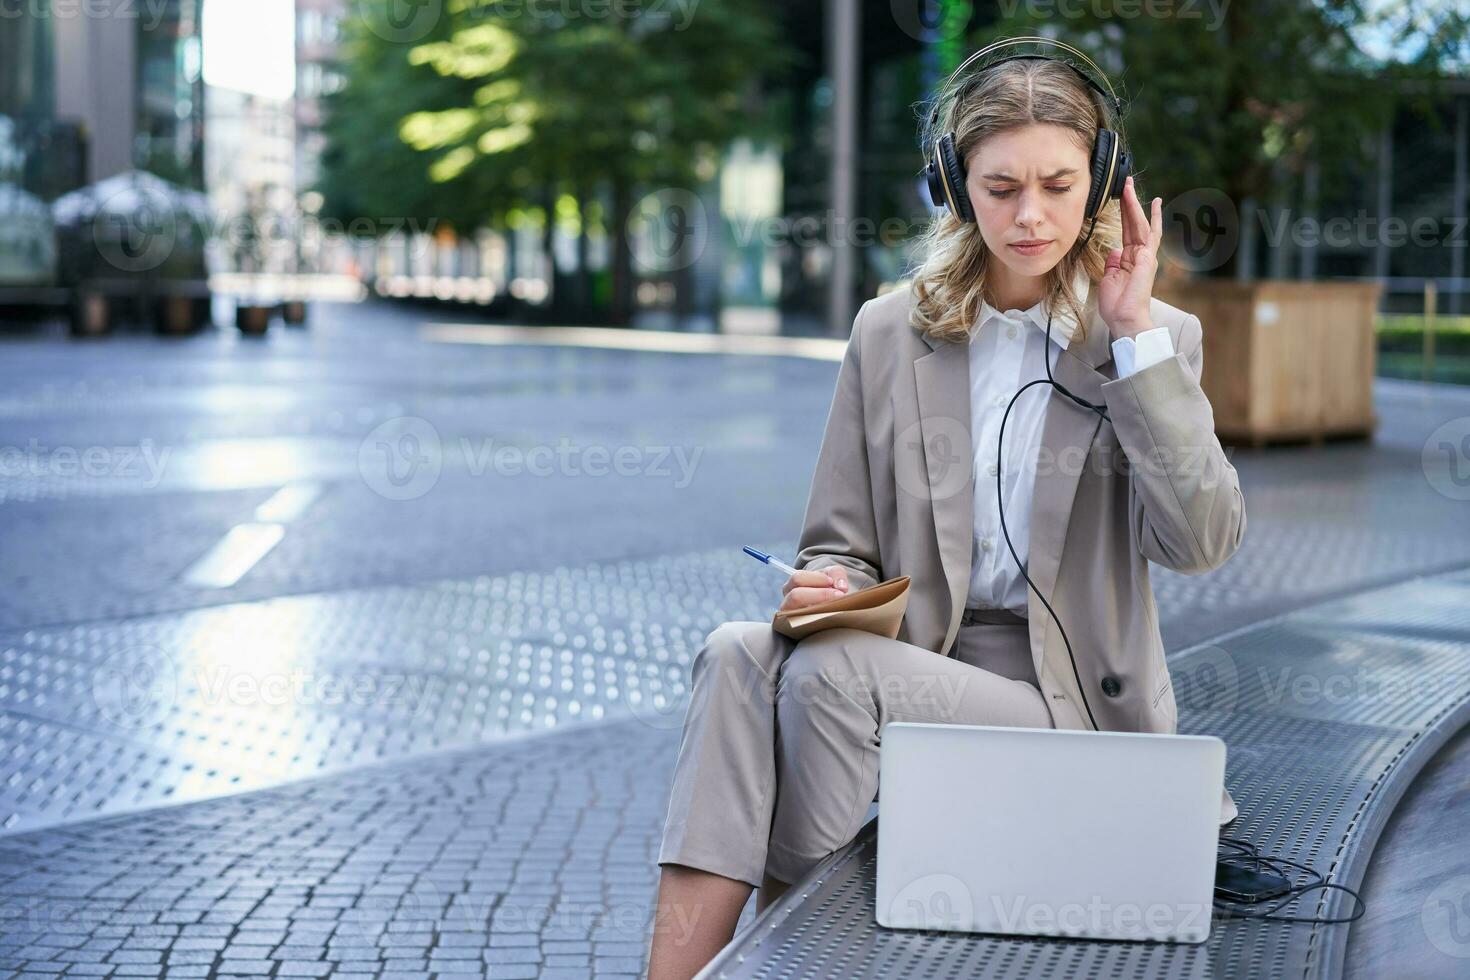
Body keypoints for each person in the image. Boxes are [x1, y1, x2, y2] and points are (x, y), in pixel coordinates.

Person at [645, 40, 1246, 980]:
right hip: (910, 654)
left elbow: (1202, 543)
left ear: (1102, 183)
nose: (1032, 214)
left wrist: (1131, 343)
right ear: (958, 191)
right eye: (1001, 187)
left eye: (1058, 183)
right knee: (735, 656)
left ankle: (797, 961)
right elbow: (839, 539)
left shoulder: (1153, 339)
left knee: (831, 676)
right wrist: (831, 582)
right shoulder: (890, 332)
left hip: (1068, 703)